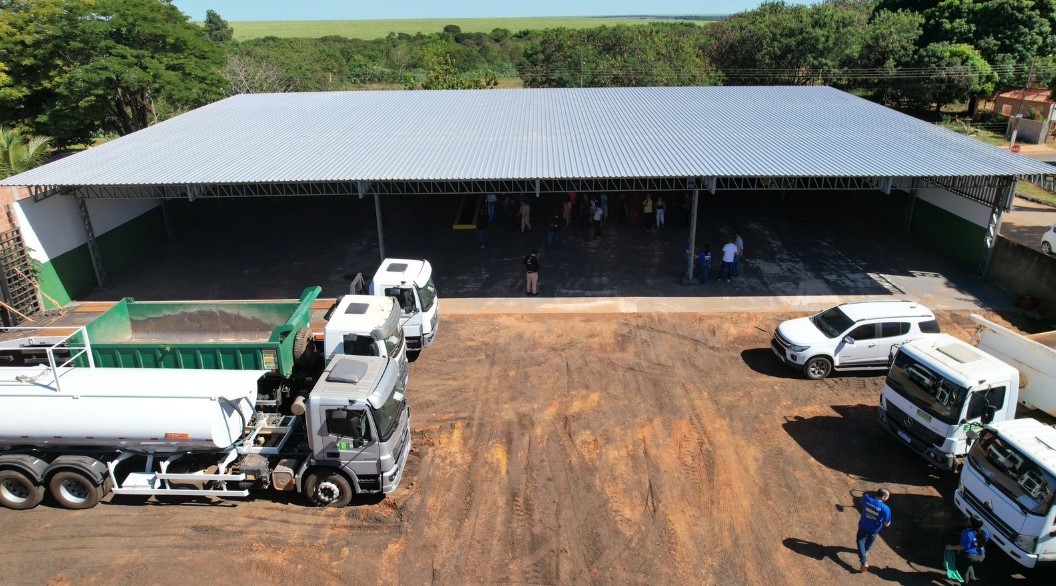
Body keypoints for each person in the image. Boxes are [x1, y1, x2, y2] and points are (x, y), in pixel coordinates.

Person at [856, 488, 892, 573]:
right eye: (887, 497)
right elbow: (887, 524)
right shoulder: (885, 508)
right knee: (870, 541)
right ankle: (865, 552)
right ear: (883, 497)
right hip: (874, 529)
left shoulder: (866, 498)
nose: (888, 498)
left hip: (863, 525)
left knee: (860, 541)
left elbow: (861, 502)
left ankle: (863, 561)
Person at [947, 518, 989, 582]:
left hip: (970, 557)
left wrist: (950, 547)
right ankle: (972, 577)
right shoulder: (986, 531)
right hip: (981, 555)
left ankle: (964, 584)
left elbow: (962, 547)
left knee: (964, 572)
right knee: (968, 564)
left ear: (971, 523)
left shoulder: (967, 533)